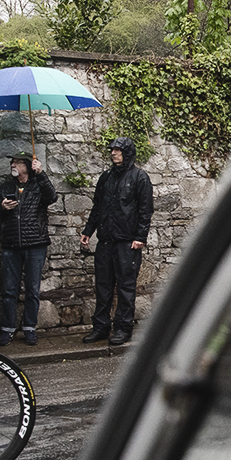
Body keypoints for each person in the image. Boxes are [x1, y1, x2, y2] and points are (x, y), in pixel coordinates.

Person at [80, 137, 153, 345]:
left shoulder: (140, 177)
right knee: (102, 286)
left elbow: (145, 210)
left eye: (118, 150)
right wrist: (88, 230)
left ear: (127, 152)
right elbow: (97, 207)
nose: (113, 153)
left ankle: (123, 328)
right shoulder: (106, 178)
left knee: (125, 287)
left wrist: (140, 237)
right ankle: (101, 327)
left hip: (127, 242)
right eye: (112, 150)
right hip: (106, 241)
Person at [0, 152, 57, 346]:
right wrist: (2, 207)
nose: (13, 165)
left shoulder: (38, 185)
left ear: (28, 167)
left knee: (32, 290)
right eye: (12, 162)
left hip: (35, 244)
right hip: (11, 245)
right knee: (9, 290)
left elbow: (52, 196)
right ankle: (7, 329)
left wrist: (42, 174)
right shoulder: (5, 187)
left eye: (18, 162)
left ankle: (30, 328)